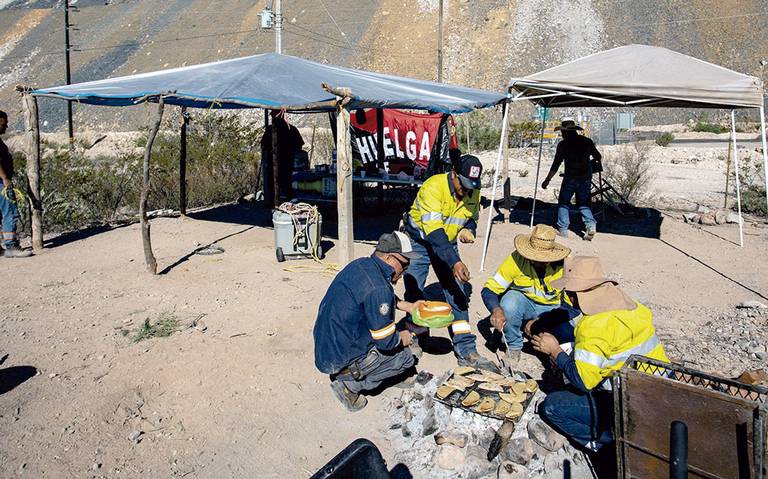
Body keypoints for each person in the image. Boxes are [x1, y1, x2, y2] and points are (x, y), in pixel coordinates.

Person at [530, 256, 669, 451]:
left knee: (553, 406)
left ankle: (605, 442)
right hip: (661, 387)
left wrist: (555, 351)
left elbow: (583, 382)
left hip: (632, 401)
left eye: (568, 292)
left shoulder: (593, 326)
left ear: (575, 295)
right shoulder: (634, 307)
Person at [402, 154, 498, 372]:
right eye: (463, 184)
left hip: (448, 243)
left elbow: (471, 217)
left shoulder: (473, 190)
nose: (466, 191)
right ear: (454, 174)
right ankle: (417, 337)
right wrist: (454, 262)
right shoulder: (433, 187)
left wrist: (469, 229)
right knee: (414, 290)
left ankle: (466, 349)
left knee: (458, 294)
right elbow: (434, 233)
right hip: (420, 241)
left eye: (471, 186)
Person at [313, 231, 423, 412]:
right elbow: (387, 342)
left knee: (396, 340)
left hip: (328, 347)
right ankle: (348, 387)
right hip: (340, 357)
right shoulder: (379, 288)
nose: (406, 269)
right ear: (389, 258)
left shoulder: (363, 265)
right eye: (405, 264)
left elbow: (375, 295)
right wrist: (405, 337)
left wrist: (408, 306)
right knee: (408, 355)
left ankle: (353, 373)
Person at [481, 224, 580, 370]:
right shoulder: (516, 259)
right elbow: (489, 289)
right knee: (509, 304)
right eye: (533, 257)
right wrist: (496, 310)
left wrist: (541, 321)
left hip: (553, 309)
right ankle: (513, 346)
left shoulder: (566, 265)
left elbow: (572, 308)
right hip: (523, 302)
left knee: (567, 336)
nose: (535, 261)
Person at [541, 118, 601, 241]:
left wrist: (547, 180)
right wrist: (588, 164)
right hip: (585, 176)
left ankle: (563, 229)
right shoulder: (586, 141)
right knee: (583, 203)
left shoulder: (563, 145)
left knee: (564, 202)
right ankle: (590, 225)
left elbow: (556, 165)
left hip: (570, 176)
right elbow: (598, 156)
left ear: (564, 132)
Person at [0, 111, 32, 258]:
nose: (6, 125)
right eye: (3, 122)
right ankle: (11, 247)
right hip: (1, 183)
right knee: (10, 213)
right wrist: (5, 178)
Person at [260, 110, 304, 201]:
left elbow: (299, 146)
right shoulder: (271, 129)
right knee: (279, 182)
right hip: (277, 161)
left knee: (284, 181)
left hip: (286, 161)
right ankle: (278, 200)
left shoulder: (290, 129)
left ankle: (284, 200)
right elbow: (264, 145)